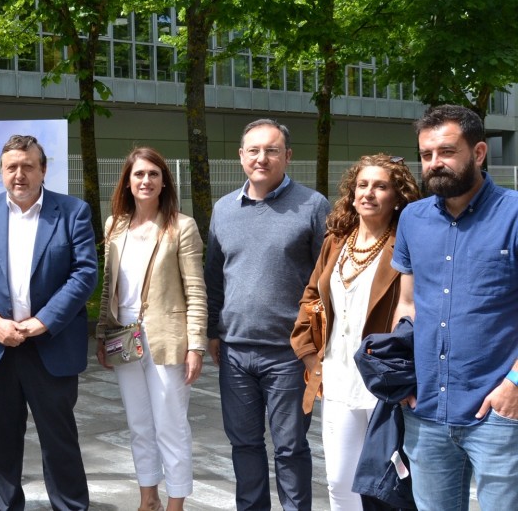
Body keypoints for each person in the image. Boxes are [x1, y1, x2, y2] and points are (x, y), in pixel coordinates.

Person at [0, 135, 97, 511]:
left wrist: (42, 322)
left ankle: (70, 507)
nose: (19, 174)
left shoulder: (72, 212)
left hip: (51, 346)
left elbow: (84, 274)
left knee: (59, 440)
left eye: (27, 166)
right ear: (1, 172)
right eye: (11, 167)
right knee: (0, 443)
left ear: (43, 169)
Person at [391, 105, 518, 511]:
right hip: (426, 409)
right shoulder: (412, 217)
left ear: (478, 153)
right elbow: (407, 303)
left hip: (499, 412)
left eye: (446, 152)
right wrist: (403, 376)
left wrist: (515, 384)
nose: (434, 163)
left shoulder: (514, 214)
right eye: (426, 154)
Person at [205, 118, 330, 511]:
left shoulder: (313, 206)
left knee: (291, 448)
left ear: (287, 156)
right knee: (243, 444)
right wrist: (212, 331)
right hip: (236, 353)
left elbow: (326, 281)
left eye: (272, 150)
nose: (262, 158)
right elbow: (213, 277)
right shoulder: (223, 209)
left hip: (289, 355)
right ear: (241, 156)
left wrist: (318, 344)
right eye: (254, 150)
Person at [289, 154, 420, 511]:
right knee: (338, 481)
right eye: (362, 185)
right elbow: (312, 295)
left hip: (383, 382)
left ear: (398, 196)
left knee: (385, 486)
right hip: (337, 377)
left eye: (381, 186)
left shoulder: (406, 244)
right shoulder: (336, 240)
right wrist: (311, 356)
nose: (369, 193)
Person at [96, 147, 206, 511]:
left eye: (153, 174)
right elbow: (108, 285)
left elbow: (195, 289)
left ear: (164, 181)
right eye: (139, 174)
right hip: (124, 338)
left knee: (170, 426)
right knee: (139, 424)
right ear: (127, 182)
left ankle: (176, 502)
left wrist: (196, 346)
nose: (146, 181)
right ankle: (148, 499)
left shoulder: (181, 226)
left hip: (166, 340)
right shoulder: (115, 226)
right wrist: (102, 334)